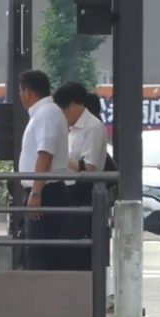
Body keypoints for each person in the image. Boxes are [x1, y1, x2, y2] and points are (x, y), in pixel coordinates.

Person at [18, 69, 70, 270]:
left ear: (27, 92)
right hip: (45, 190)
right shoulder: (47, 113)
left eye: (21, 92)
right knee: (38, 250)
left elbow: (45, 154)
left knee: (41, 254)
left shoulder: (46, 114)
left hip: (47, 191)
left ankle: (42, 298)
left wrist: (36, 192)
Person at [53, 81, 108, 270]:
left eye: (64, 110)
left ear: (76, 105)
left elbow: (89, 166)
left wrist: (60, 157)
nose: (62, 116)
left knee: (79, 245)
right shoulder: (72, 128)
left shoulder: (92, 127)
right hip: (69, 189)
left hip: (83, 191)